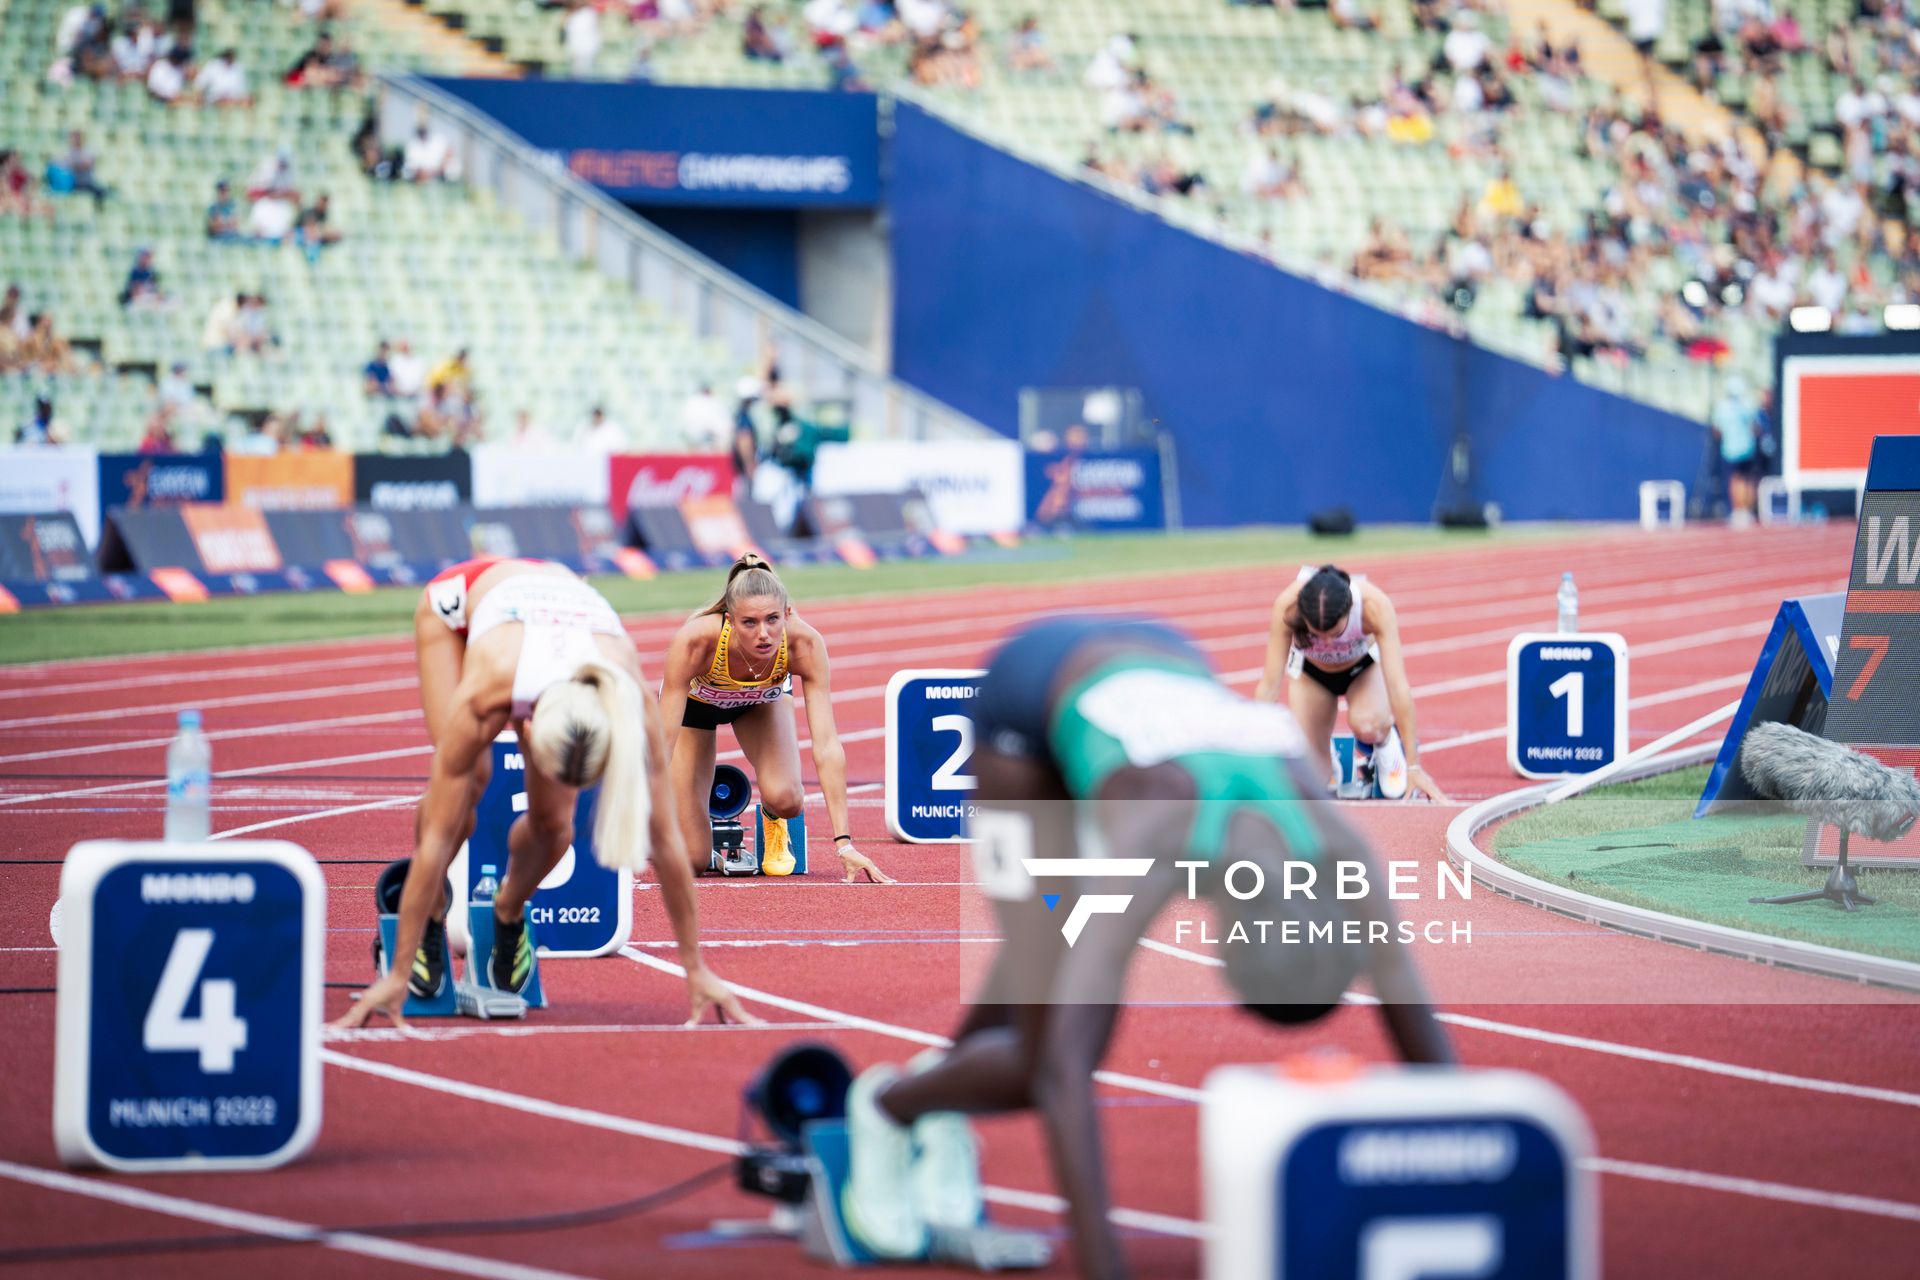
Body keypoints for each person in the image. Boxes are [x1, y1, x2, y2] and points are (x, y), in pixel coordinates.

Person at [841, 616, 1455, 1275]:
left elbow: (1405, 995)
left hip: (1163, 652)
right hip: (1025, 705)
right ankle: (887, 1107)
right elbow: (1062, 1072)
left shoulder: (1341, 850)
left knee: (1047, 957)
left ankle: (943, 1095)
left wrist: (1467, 1170)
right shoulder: (1157, 840)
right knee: (1041, 1032)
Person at [332, 559, 756, 1028]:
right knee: (464, 790)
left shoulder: (628, 696)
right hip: (457, 609)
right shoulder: (487, 691)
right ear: (527, 729)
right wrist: (395, 975)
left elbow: (667, 841)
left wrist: (696, 970)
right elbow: (435, 837)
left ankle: (508, 912)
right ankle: (430, 914)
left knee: (555, 825)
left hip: (552, 606)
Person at [657, 555, 891, 883]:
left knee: (788, 800)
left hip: (759, 703)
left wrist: (844, 844)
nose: (764, 634)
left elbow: (826, 745)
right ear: (729, 620)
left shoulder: (804, 644)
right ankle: (694, 828)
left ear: (788, 614)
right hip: (695, 710)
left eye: (772, 619)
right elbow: (662, 744)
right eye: (749, 622)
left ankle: (772, 819)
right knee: (692, 861)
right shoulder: (695, 641)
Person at [1255, 564, 1448, 802]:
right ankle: (1328, 760)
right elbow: (1269, 686)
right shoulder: (1287, 607)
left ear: (1349, 611)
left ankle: (1386, 743)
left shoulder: (1374, 606)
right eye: (1316, 634)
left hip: (1362, 669)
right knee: (1314, 780)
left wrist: (1413, 767)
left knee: (1368, 724)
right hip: (1311, 674)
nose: (1326, 643)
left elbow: (1398, 686)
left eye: (1335, 634)